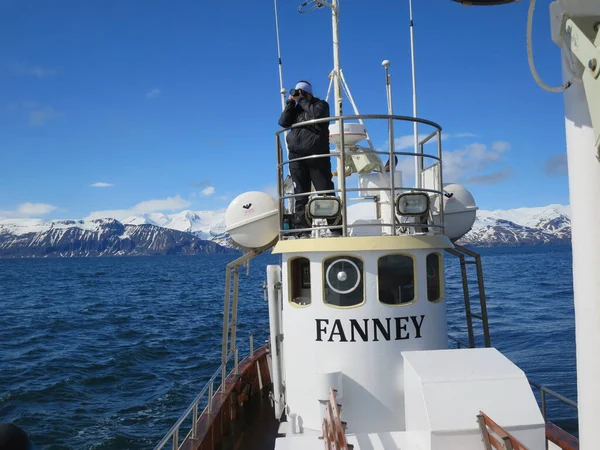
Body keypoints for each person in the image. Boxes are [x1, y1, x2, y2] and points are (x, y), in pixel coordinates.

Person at [278, 80, 339, 237]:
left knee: (325, 192)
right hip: (297, 158)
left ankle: (336, 229)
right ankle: (302, 231)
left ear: (306, 93)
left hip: (317, 157)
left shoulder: (321, 105)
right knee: (300, 195)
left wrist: (302, 100)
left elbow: (317, 115)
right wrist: (290, 104)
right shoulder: (296, 109)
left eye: (300, 91)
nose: (297, 94)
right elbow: (283, 122)